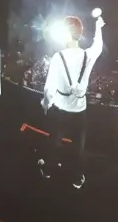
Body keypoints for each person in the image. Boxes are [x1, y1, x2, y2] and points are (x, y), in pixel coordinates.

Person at [39, 15, 105, 189]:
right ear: (80, 34)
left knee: (54, 142)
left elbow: (49, 88)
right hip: (80, 111)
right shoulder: (87, 55)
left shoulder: (57, 57)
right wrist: (98, 27)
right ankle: (77, 178)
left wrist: (45, 103)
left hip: (60, 110)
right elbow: (98, 46)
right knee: (78, 146)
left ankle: (48, 170)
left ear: (67, 34)